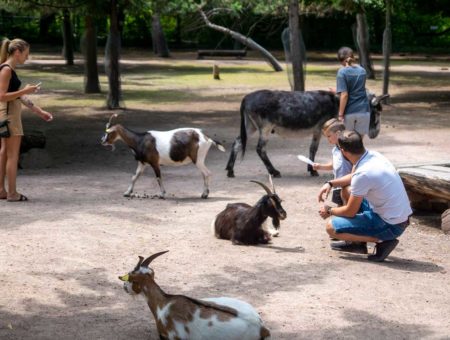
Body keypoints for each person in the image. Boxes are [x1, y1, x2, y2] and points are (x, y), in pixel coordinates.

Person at [317, 130, 412, 262]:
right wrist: (330, 183)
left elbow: (350, 211)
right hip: (400, 217)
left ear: (343, 151)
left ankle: (383, 240)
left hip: (391, 225)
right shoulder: (373, 156)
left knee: (331, 227)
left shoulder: (363, 174)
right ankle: (357, 245)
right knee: (347, 190)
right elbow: (354, 177)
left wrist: (329, 211)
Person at [0, 38, 53, 202]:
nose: (27, 58)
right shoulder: (6, 70)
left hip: (6, 115)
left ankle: (2, 190)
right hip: (9, 116)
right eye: (26, 54)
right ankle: (12, 193)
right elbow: (1, 96)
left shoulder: (8, 70)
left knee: (4, 153)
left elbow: (18, 96)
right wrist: (26, 89)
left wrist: (39, 111)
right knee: (12, 155)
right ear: (17, 52)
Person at [312, 118, 352, 207]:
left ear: (338, 134)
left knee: (347, 209)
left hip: (348, 185)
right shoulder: (335, 150)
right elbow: (335, 165)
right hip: (337, 185)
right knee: (340, 208)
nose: (327, 139)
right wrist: (321, 166)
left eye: (329, 136)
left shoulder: (348, 149)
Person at [335, 46, 370, 136]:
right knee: (358, 144)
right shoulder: (362, 71)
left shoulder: (342, 72)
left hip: (349, 112)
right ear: (353, 57)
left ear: (341, 60)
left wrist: (340, 115)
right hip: (364, 110)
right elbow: (356, 89)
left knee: (347, 143)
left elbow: (345, 95)